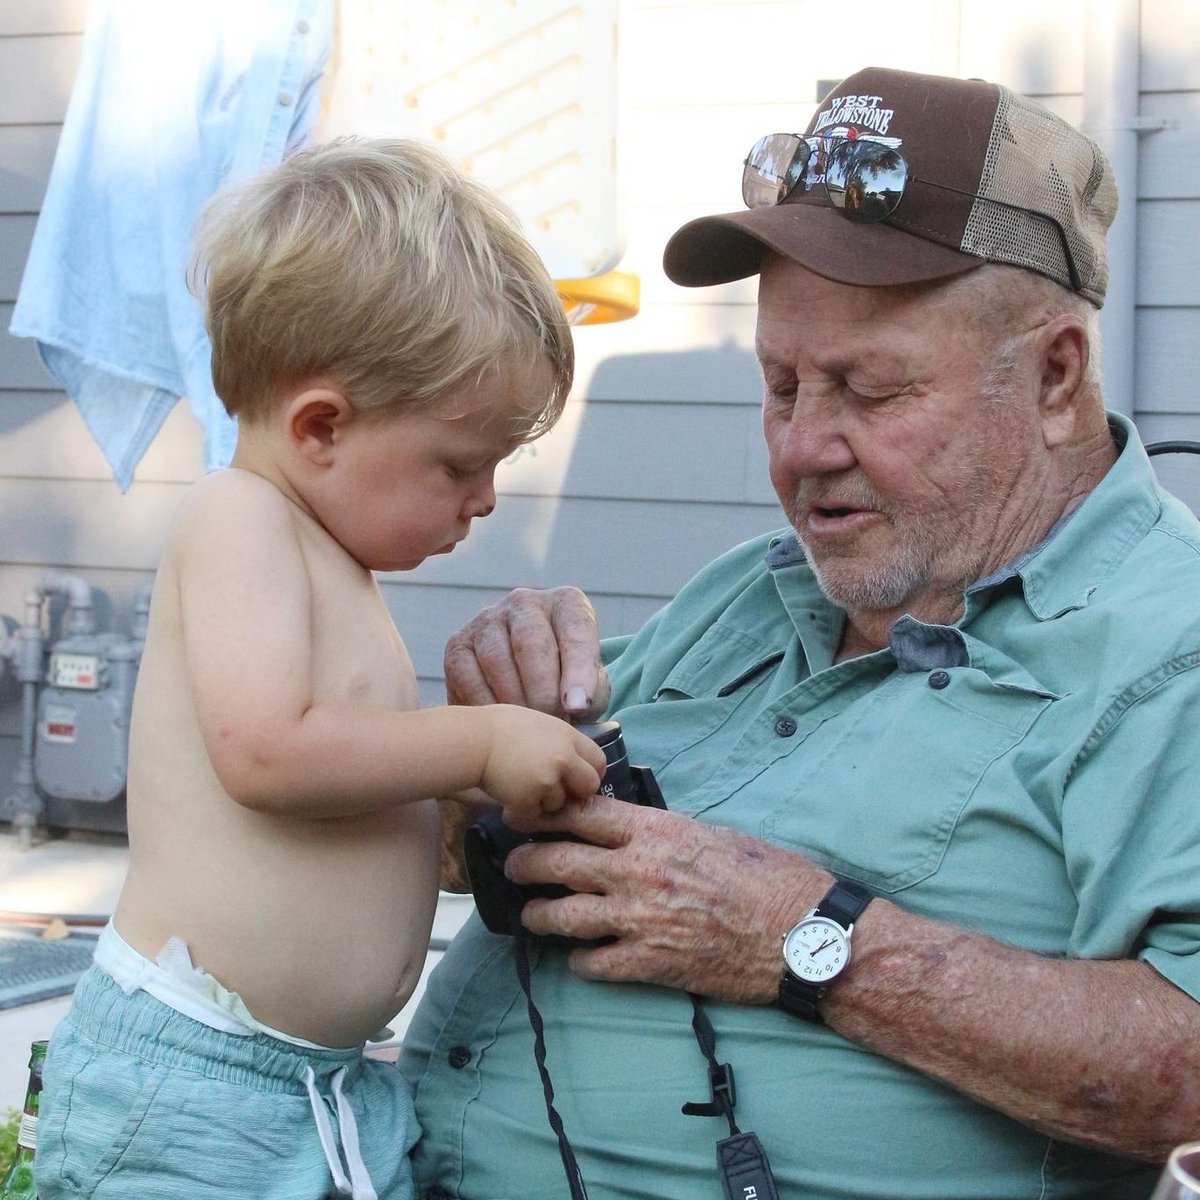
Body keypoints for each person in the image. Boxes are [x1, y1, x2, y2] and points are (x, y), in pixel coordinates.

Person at [399, 66, 1200, 1199]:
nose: (801, 449)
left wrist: (803, 939)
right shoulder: (753, 591)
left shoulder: (1170, 648)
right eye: (779, 388)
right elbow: (450, 852)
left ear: (1056, 378)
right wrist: (482, 755)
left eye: (870, 393)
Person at [34, 138, 608, 1200]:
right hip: (192, 1092)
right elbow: (268, 753)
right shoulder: (237, 520)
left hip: (314, 1087)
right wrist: (475, 739)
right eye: (459, 463)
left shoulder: (329, 560)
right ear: (321, 426)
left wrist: (457, 796)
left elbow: (339, 785)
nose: (483, 500)